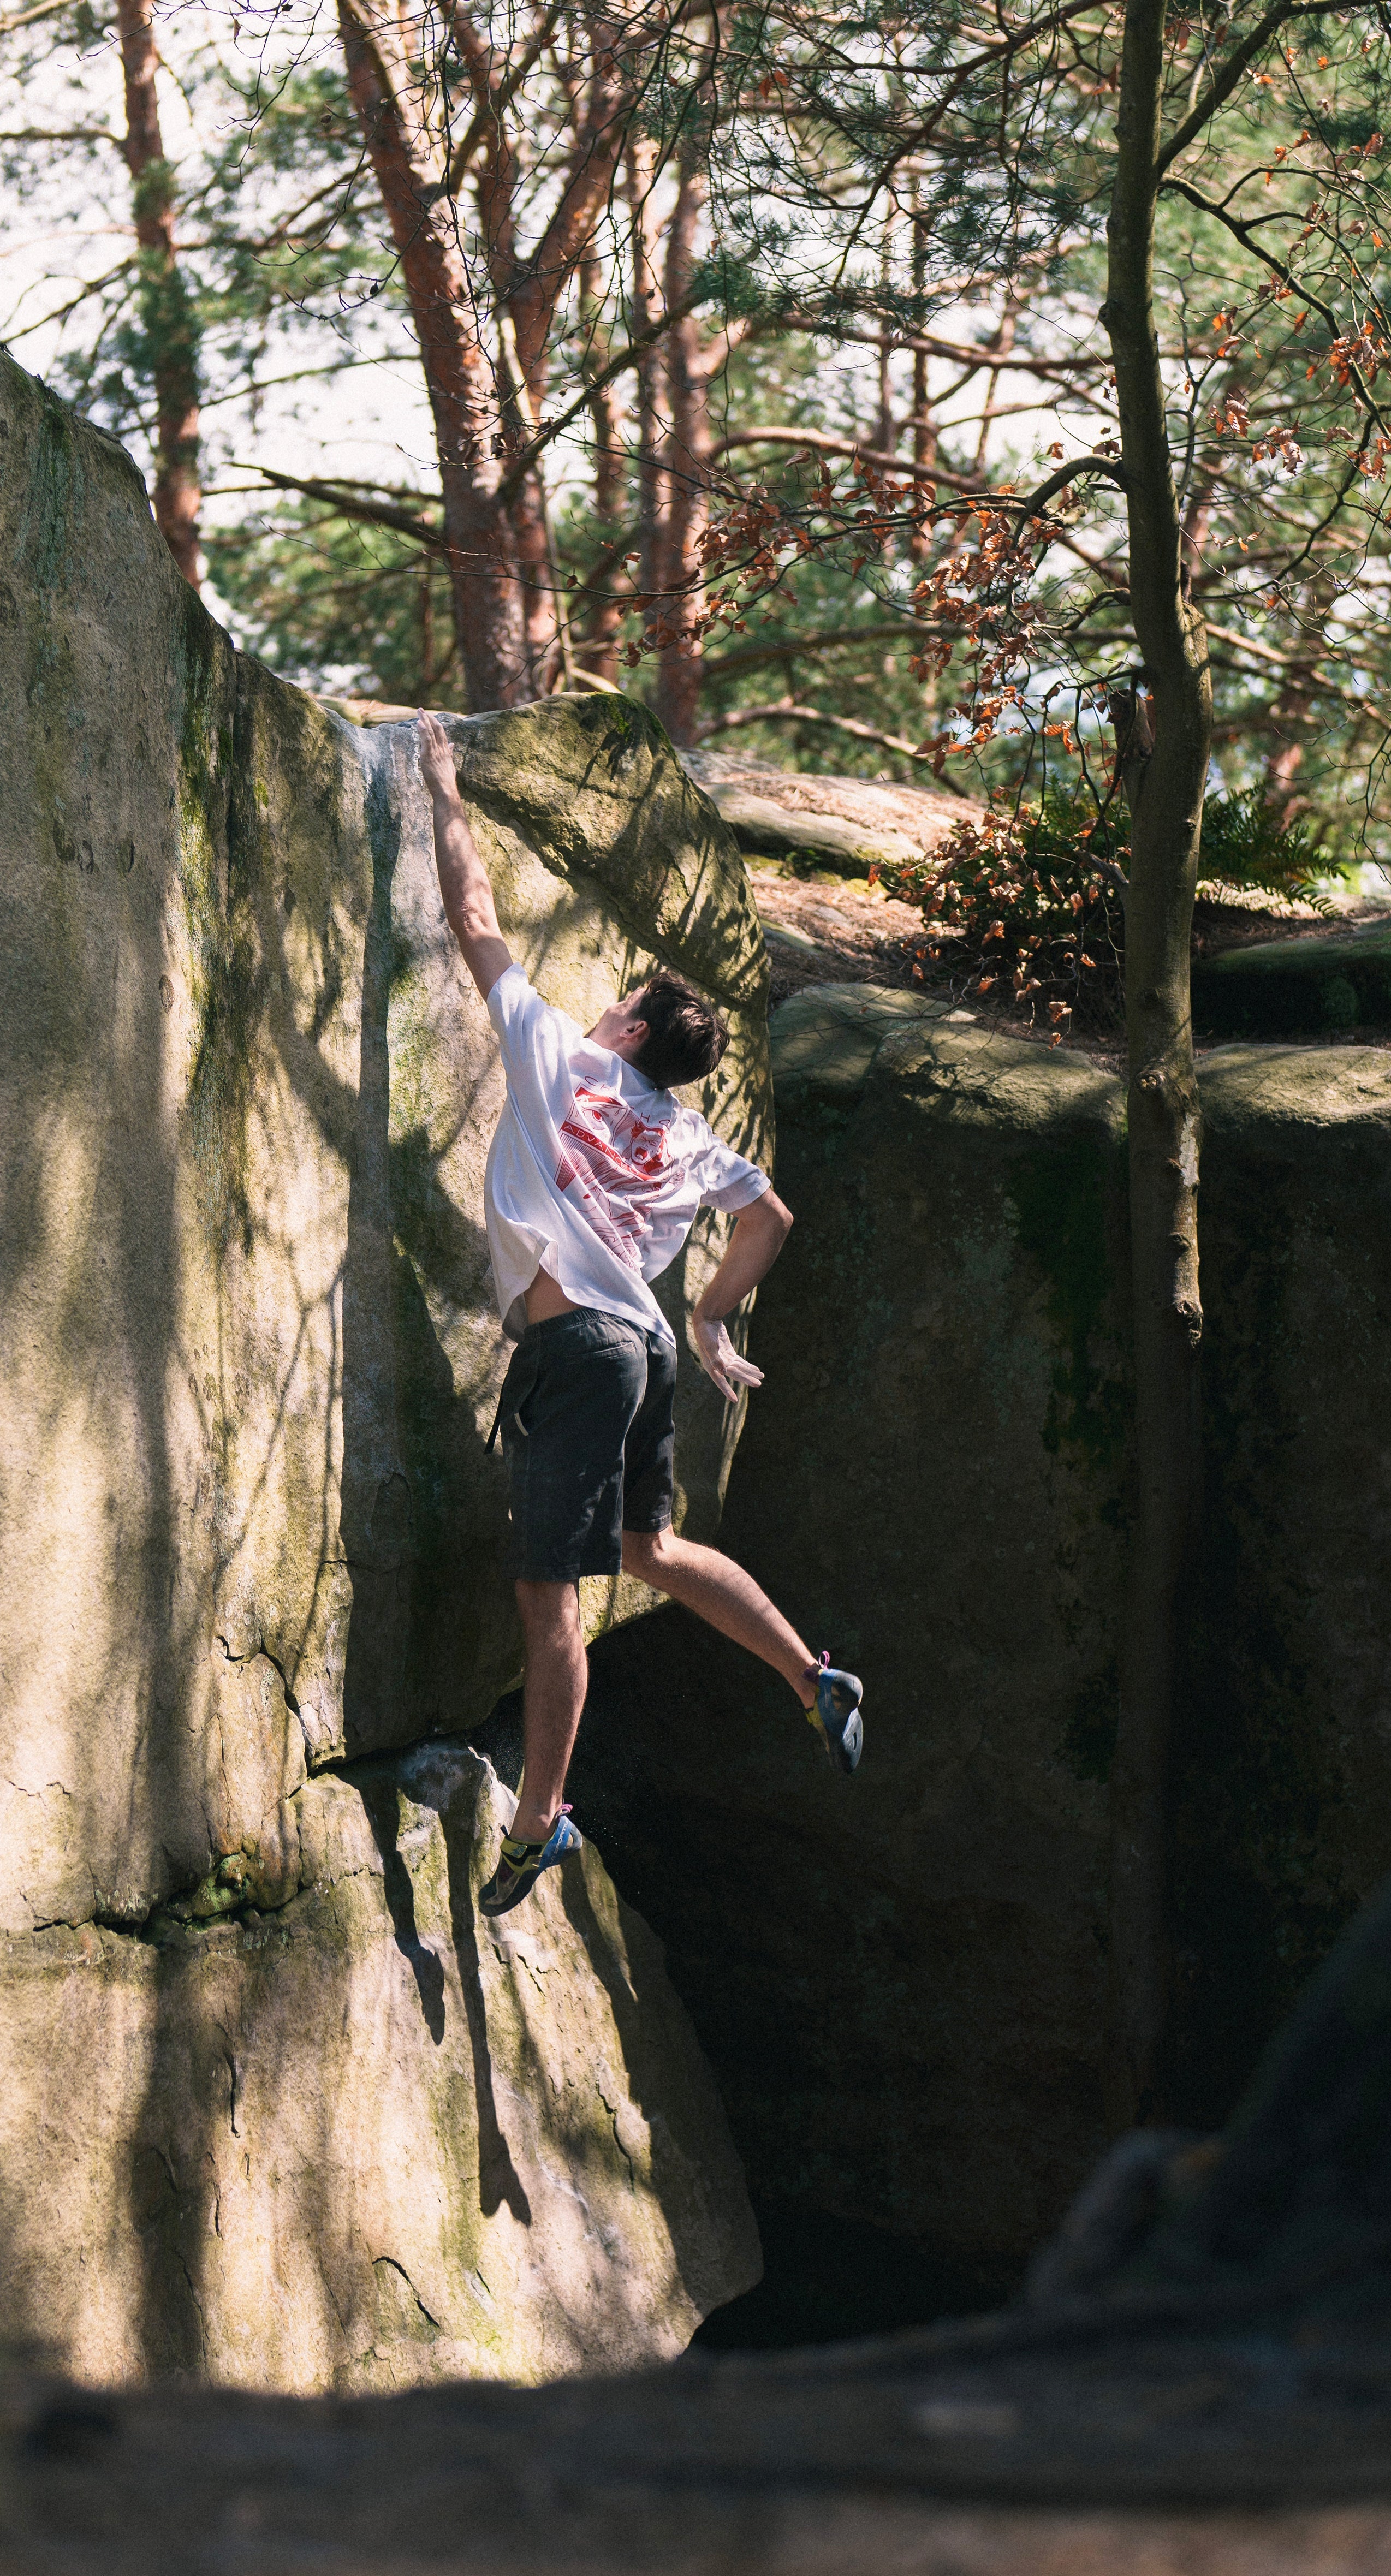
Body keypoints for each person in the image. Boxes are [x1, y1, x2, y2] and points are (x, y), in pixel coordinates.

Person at [415, 712, 864, 1921]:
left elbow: (473, 915)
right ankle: (812, 1675)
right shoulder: (688, 1131)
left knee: (549, 1597)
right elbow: (770, 1217)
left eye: (614, 1002)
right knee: (648, 1552)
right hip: (650, 1349)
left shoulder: (555, 1053)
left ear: (624, 1027)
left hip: (576, 1348)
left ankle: (538, 1818)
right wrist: (713, 1318)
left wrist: (442, 784)